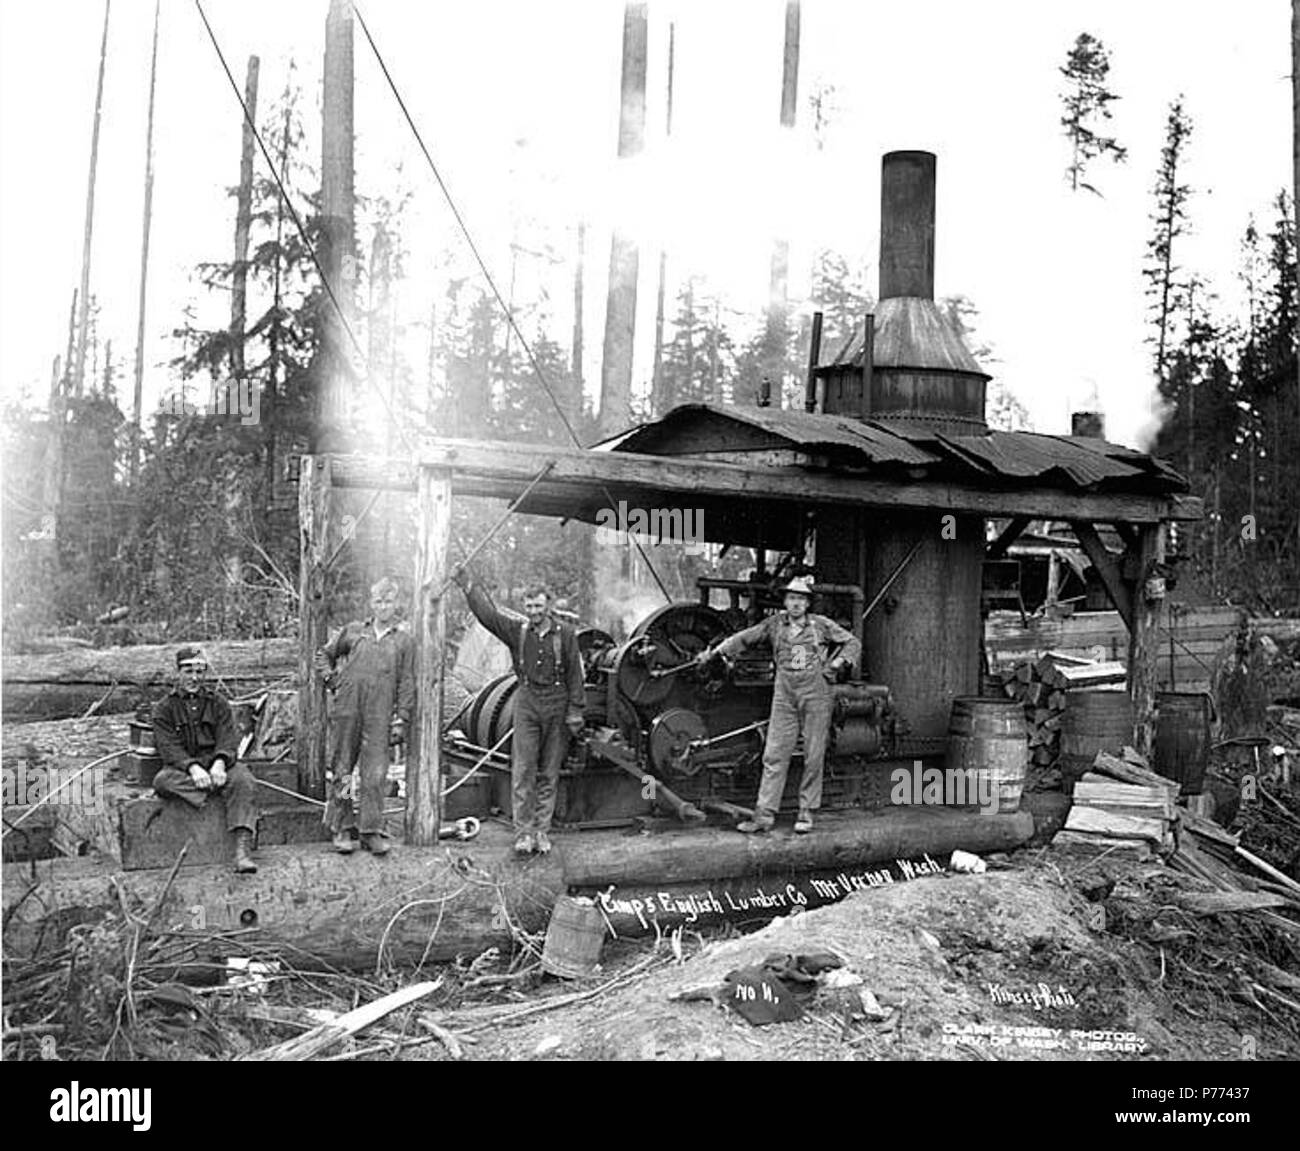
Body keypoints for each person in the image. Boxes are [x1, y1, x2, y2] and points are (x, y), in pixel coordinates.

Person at [700, 576, 861, 834]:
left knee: (813, 755)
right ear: (785, 601)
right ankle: (764, 816)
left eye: (801, 599)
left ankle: (806, 812)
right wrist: (716, 652)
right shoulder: (774, 625)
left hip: (816, 694)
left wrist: (836, 664)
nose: (796, 603)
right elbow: (745, 638)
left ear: (807, 603)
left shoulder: (820, 625)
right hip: (784, 695)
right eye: (792, 598)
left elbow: (852, 643)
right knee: (774, 754)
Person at [452, 568, 584, 855]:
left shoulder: (566, 634)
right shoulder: (517, 631)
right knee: (523, 770)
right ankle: (524, 833)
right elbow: (488, 617)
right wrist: (469, 587)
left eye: (538, 606)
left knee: (549, 772)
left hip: (557, 704)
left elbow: (575, 673)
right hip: (526, 703)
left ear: (548, 605)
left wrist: (576, 710)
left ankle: (542, 832)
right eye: (529, 606)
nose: (533, 611)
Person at [314, 576, 415, 857]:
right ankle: (343, 827)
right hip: (347, 711)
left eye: (388, 601)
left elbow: (407, 681)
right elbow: (324, 655)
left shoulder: (403, 641)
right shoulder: (354, 632)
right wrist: (333, 681)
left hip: (379, 714)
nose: (383, 606)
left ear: (396, 603)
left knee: (375, 774)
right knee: (343, 770)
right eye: (378, 601)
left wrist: (401, 717)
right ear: (371, 603)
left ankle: (370, 831)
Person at [152, 646, 259, 873]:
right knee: (162, 781)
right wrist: (193, 768)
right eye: (188, 671)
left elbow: (228, 739)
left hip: (218, 766)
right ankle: (212, 794)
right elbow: (169, 747)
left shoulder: (218, 703)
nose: (194, 678)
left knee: (244, 780)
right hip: (184, 770)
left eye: (199, 672)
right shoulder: (164, 708)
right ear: (178, 672)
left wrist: (220, 763)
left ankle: (242, 852)